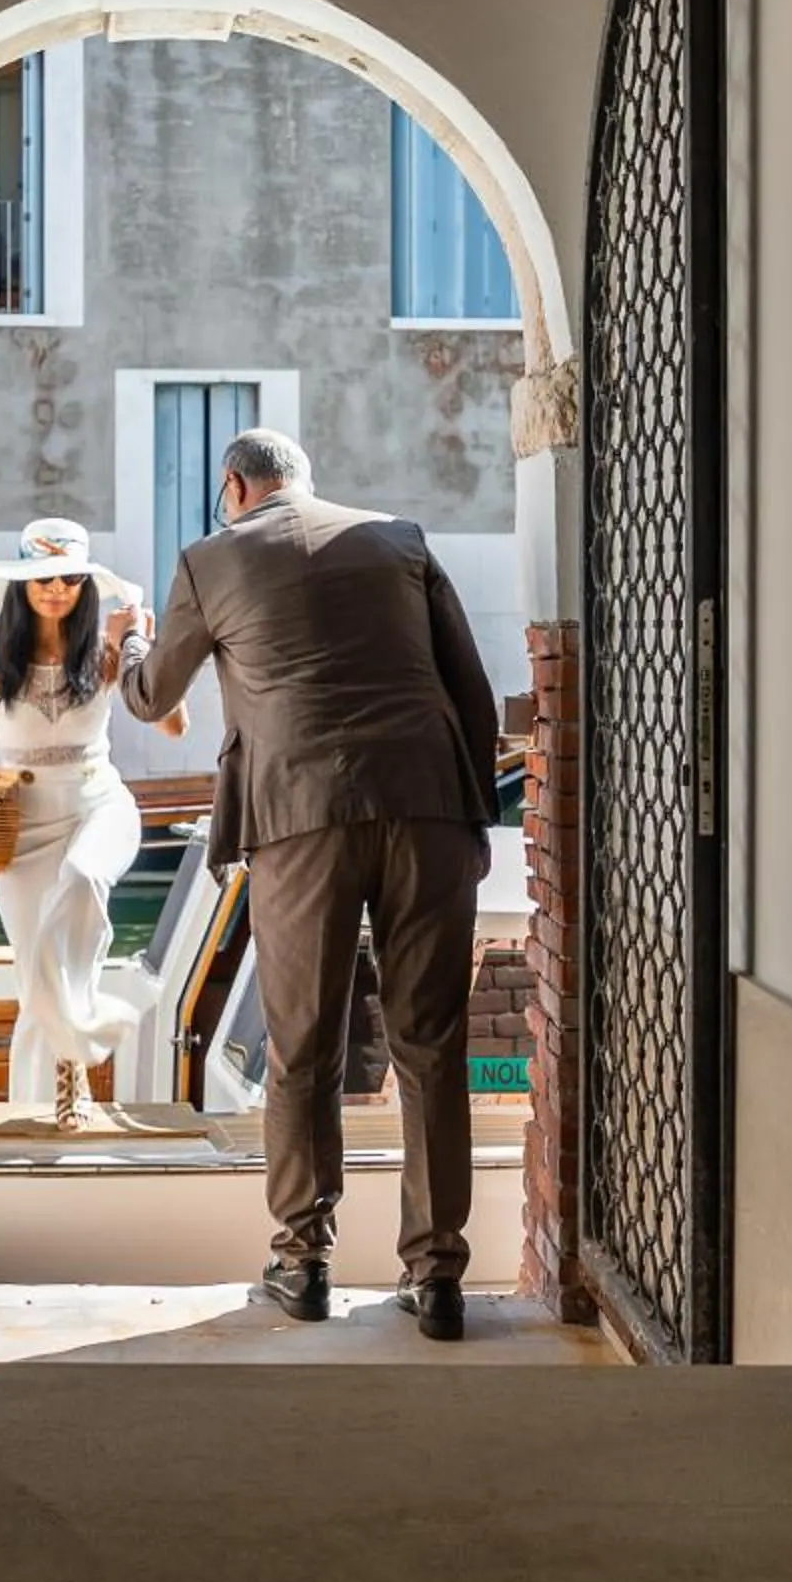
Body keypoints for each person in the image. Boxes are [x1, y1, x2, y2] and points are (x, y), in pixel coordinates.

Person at [117, 430, 500, 1342]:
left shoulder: (211, 560)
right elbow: (472, 690)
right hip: (429, 808)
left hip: (301, 818)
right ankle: (438, 1277)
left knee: (303, 1049)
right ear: (305, 485)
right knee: (433, 1047)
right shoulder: (399, 539)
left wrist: (128, 642)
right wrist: (473, 818)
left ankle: (302, 1264)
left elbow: (150, 694)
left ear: (236, 487)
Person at [0, 519, 187, 1128]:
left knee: (81, 882)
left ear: (85, 586)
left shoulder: (103, 656)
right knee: (35, 972)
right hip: (19, 829)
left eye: (70, 578)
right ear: (20, 584)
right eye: (42, 577)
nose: (56, 588)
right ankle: (42, 1105)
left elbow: (174, 725)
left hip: (97, 804)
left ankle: (80, 1049)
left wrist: (141, 647)